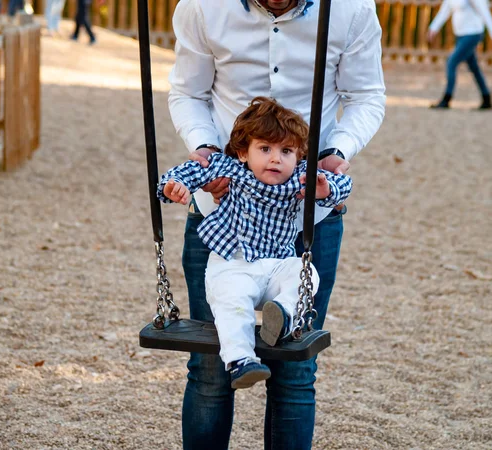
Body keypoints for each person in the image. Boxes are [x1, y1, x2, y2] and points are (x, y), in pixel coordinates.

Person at [168, 0, 385, 448]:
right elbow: (188, 92)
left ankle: (282, 312)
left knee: (295, 366)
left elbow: (366, 95)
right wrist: (205, 148)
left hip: (309, 214)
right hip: (223, 210)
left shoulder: (352, 10)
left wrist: (337, 153)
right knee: (209, 367)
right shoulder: (202, 7)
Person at [157, 97, 353, 389]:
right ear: (242, 153)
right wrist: (174, 186)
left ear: (298, 156)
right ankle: (241, 360)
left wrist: (325, 190)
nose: (276, 159)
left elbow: (342, 184)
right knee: (231, 302)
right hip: (233, 263)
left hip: (276, 266)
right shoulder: (228, 168)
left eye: (286, 151)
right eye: (265, 149)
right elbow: (187, 171)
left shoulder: (300, 176)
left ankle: (283, 317)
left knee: (306, 273)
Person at [427, 0, 492, 110]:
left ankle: (446, 98)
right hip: (460, 35)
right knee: (474, 67)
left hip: (473, 34)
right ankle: (486, 98)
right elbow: (445, 11)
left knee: (451, 62)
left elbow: (484, 11)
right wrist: (433, 28)